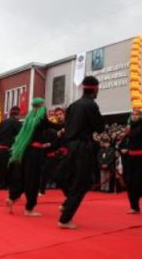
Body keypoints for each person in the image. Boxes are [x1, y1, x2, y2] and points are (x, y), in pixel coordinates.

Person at [58, 76, 104, 229]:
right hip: (82, 147)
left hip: (70, 147)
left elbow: (68, 126)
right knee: (82, 183)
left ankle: (66, 203)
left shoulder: (72, 105)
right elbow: (100, 127)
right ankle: (65, 218)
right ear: (95, 89)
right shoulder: (91, 105)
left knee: (69, 177)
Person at [6, 98, 60, 216]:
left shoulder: (29, 119)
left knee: (25, 177)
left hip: (27, 151)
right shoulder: (41, 119)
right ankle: (29, 208)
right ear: (40, 106)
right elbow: (55, 126)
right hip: (35, 153)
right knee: (33, 180)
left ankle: (12, 197)